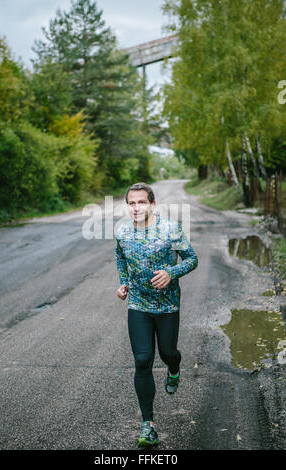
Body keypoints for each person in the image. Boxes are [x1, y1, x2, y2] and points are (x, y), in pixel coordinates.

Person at [115, 182, 198, 448]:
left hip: (167, 305)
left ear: (152, 204)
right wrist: (124, 282)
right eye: (131, 203)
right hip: (138, 304)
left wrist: (171, 273)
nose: (136, 207)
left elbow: (191, 259)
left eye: (141, 202)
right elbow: (120, 257)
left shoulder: (170, 229)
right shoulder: (122, 231)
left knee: (167, 352)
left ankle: (174, 368)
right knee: (142, 360)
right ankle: (148, 424)